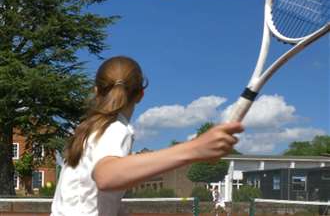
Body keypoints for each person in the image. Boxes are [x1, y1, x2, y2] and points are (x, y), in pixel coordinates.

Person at [51, 56, 244, 216]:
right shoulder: (115, 129)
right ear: (141, 94)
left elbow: (91, 195)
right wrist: (194, 149)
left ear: (96, 91)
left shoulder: (88, 130)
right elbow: (105, 176)